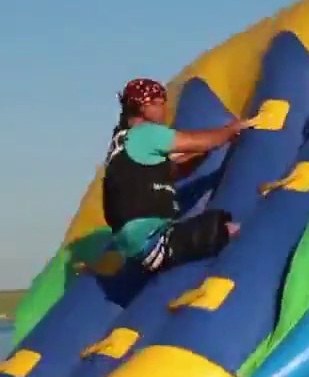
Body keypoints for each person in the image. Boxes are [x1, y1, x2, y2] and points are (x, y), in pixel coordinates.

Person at [101, 77, 255, 273]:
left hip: (133, 242)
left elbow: (174, 170)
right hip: (152, 238)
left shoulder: (123, 143)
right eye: (157, 103)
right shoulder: (146, 134)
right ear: (141, 106)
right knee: (227, 229)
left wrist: (205, 152)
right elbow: (196, 141)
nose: (164, 109)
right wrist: (231, 130)